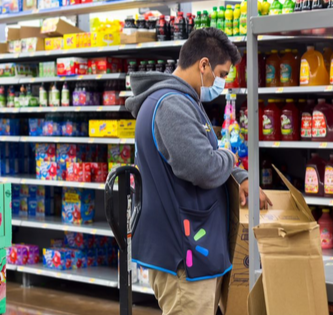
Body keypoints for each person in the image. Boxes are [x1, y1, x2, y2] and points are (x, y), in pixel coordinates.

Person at [125, 28, 271, 315]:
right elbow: (203, 167)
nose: (223, 82)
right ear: (203, 65)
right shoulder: (171, 105)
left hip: (195, 249)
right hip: (183, 255)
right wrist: (229, 156)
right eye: (223, 73)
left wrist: (237, 176)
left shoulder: (184, 101)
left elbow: (202, 156)